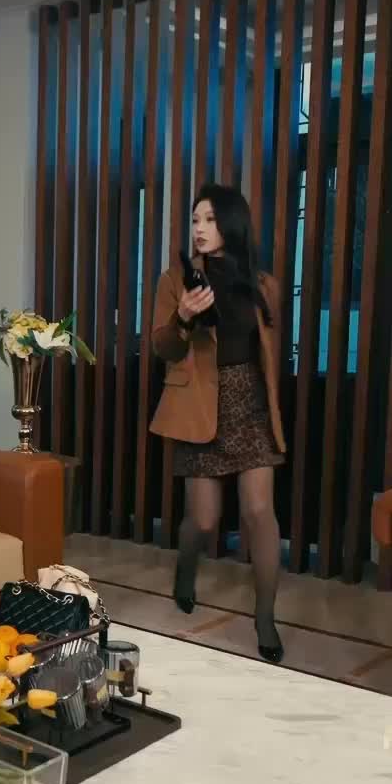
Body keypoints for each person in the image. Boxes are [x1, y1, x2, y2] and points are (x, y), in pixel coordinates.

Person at [150, 184, 286, 663]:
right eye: (194, 220)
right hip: (200, 406)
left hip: (250, 405)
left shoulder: (263, 284)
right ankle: (185, 571)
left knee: (259, 512)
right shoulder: (175, 280)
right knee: (203, 520)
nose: (199, 229)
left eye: (209, 219)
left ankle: (265, 619)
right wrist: (184, 318)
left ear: (231, 223)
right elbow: (164, 348)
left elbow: (270, 354)